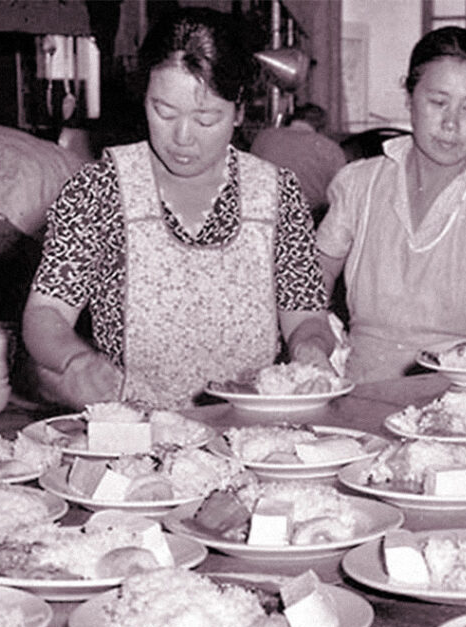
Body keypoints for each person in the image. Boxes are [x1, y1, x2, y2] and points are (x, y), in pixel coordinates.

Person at [22, 6, 334, 410]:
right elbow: (46, 312)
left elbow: (306, 315)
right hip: (131, 432)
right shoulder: (99, 189)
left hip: (250, 430)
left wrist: (310, 348)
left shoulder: (277, 194)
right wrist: (74, 360)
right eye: (164, 111)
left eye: (206, 119)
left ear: (238, 110)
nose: (182, 137)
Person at [315, 26, 466, 383]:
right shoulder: (359, 185)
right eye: (437, 102)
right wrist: (312, 341)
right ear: (409, 97)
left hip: (461, 397)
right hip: (358, 389)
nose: (450, 123)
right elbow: (315, 278)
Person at [250, 103, 347, 222]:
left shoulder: (264, 137)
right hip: (307, 217)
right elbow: (340, 193)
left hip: (263, 213)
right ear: (322, 126)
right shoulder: (330, 148)